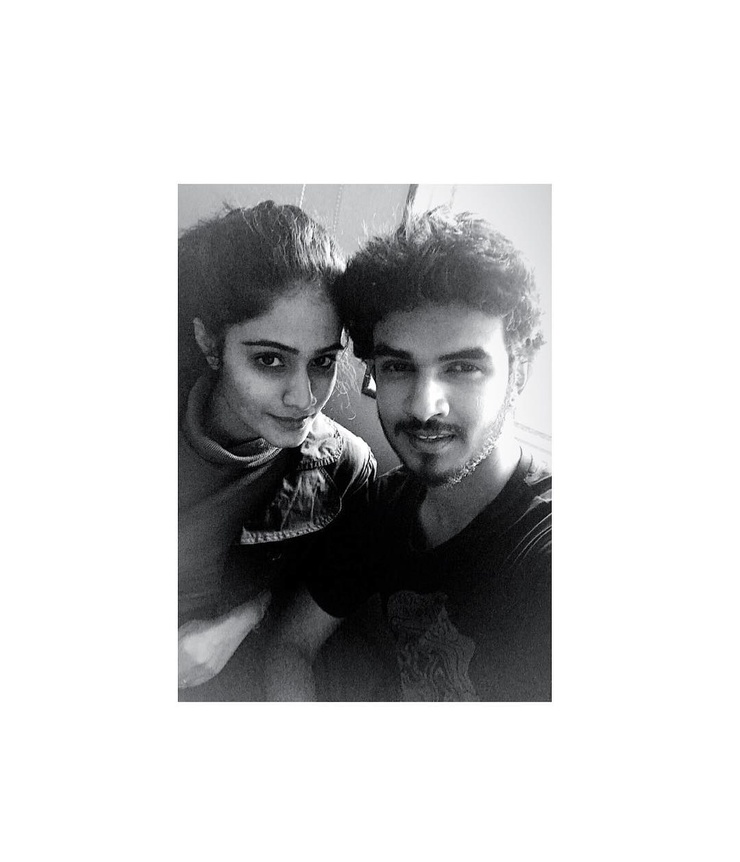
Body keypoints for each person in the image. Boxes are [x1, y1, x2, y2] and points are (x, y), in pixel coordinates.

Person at [266, 206, 551, 702]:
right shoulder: (383, 507)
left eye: (462, 368)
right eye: (398, 367)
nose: (424, 406)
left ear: (519, 373)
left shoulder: (544, 554)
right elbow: (291, 644)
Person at [178, 201, 376, 701]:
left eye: (323, 362)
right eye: (270, 360)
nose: (304, 398)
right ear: (210, 342)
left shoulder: (343, 470)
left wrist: (244, 616)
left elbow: (306, 612)